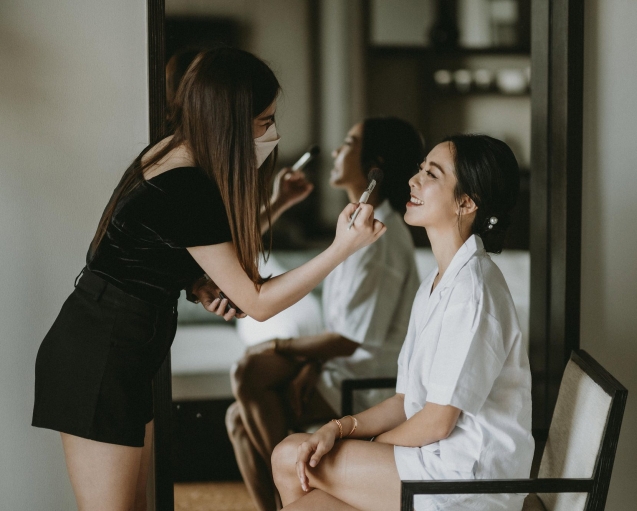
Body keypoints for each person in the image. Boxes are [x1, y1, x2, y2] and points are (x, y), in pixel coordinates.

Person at [31, 47, 385, 511]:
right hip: (100, 356)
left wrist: (195, 282)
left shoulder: (175, 152)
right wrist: (341, 248)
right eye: (264, 122)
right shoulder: (187, 185)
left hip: (121, 349)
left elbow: (161, 251)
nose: (274, 134)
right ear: (229, 123)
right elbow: (257, 302)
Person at [271, 134, 535, 511]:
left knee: (290, 458)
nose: (413, 180)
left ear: (466, 201)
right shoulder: (437, 280)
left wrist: (369, 450)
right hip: (432, 459)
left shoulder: (474, 291)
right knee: (293, 457)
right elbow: (405, 400)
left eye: (431, 173)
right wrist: (339, 427)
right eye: (419, 169)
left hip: (466, 478)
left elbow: (437, 422)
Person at [226, 117, 424, 511]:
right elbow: (342, 329)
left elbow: (350, 339)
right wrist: (308, 366)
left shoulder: (379, 240)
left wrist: (279, 345)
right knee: (237, 418)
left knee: (251, 371)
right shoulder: (355, 225)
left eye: (349, 142)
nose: (336, 151)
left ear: (375, 165)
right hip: (338, 368)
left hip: (367, 380)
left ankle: (296, 493)